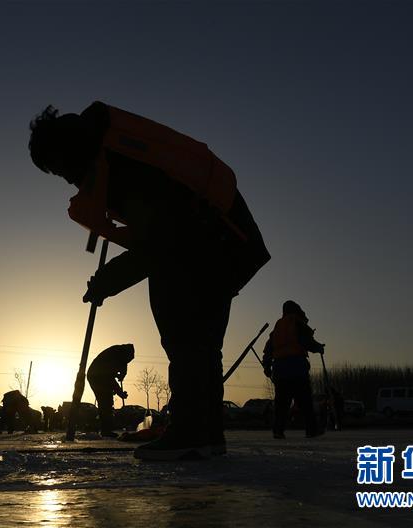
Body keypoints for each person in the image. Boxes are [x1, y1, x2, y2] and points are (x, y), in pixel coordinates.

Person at [29, 102, 269, 460]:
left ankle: (190, 432)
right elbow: (162, 234)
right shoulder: (116, 153)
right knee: (203, 340)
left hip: (211, 240)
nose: (64, 177)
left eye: (58, 167)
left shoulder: (124, 165)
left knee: (181, 321)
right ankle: (206, 434)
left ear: (66, 151)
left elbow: (159, 242)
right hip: (231, 242)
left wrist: (106, 281)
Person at [262, 301, 325, 439]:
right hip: (297, 368)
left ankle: (278, 431)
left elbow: (268, 350)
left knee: (281, 403)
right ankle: (312, 430)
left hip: (280, 370)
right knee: (305, 401)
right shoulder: (297, 324)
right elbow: (307, 342)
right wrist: (318, 347)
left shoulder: (277, 329)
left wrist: (267, 366)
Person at [87, 343, 134, 437]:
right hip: (96, 376)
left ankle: (106, 429)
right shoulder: (113, 357)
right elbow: (109, 379)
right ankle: (106, 430)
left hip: (100, 375)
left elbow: (124, 365)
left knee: (106, 401)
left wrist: (122, 374)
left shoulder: (121, 354)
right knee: (105, 402)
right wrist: (120, 392)